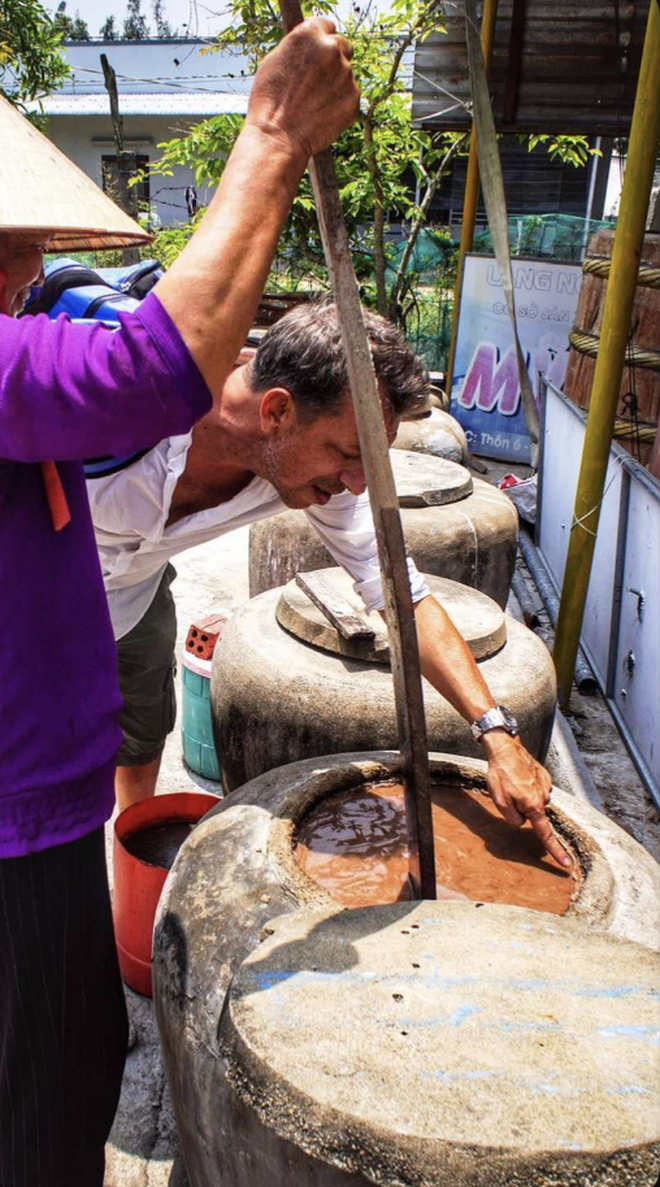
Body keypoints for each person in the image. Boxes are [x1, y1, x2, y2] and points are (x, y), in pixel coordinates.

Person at [0, 19, 358, 1186]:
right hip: (12, 820)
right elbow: (151, 373)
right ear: (275, 415)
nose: (31, 275)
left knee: (69, 1073)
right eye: (12, 248)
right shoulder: (34, 372)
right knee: (43, 1108)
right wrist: (272, 135)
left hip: (42, 806)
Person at [88, 302, 571, 873]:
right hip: (35, 581)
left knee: (140, 735)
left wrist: (498, 737)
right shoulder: (123, 414)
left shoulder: (318, 472)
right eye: (346, 454)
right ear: (277, 411)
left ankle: (127, 848)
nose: (356, 482)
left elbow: (401, 596)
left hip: (138, 594)